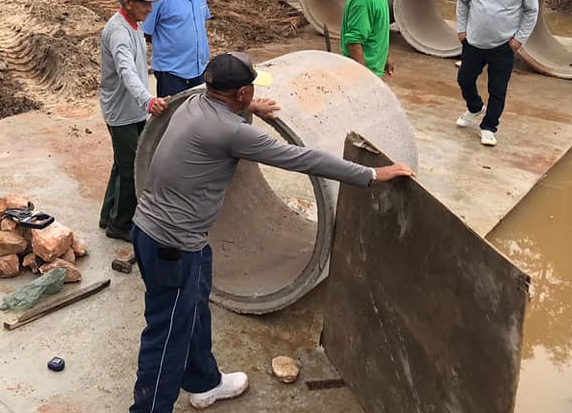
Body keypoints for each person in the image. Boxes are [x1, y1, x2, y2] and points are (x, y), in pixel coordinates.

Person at [129, 52, 415, 412]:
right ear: (241, 94)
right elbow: (303, 159)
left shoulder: (193, 105)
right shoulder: (230, 131)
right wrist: (372, 175)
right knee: (166, 336)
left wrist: (249, 110)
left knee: (195, 311)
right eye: (249, 91)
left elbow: (225, 125)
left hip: (168, 236)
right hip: (171, 247)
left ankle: (204, 383)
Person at [99, 0, 170, 241]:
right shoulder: (118, 32)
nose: (149, 10)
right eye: (144, 5)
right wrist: (148, 101)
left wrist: (143, 101)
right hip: (122, 112)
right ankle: (121, 225)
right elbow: (126, 71)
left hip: (134, 108)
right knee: (131, 169)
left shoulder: (135, 23)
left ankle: (109, 214)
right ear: (128, 4)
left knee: (122, 163)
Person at [455, 0, 539, 147]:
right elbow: (463, 1)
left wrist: (518, 40)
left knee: (497, 89)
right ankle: (475, 107)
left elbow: (531, 11)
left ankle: (489, 127)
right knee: (464, 79)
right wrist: (462, 30)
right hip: (473, 42)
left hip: (503, 45)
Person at [143, 0, 212, 97]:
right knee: (174, 119)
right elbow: (146, 32)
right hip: (172, 74)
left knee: (197, 118)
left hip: (199, 69)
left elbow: (202, 21)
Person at [340, 0, 400, 77]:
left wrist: (386, 57)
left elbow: (379, 30)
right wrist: (364, 78)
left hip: (373, 70)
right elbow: (354, 41)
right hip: (364, 74)